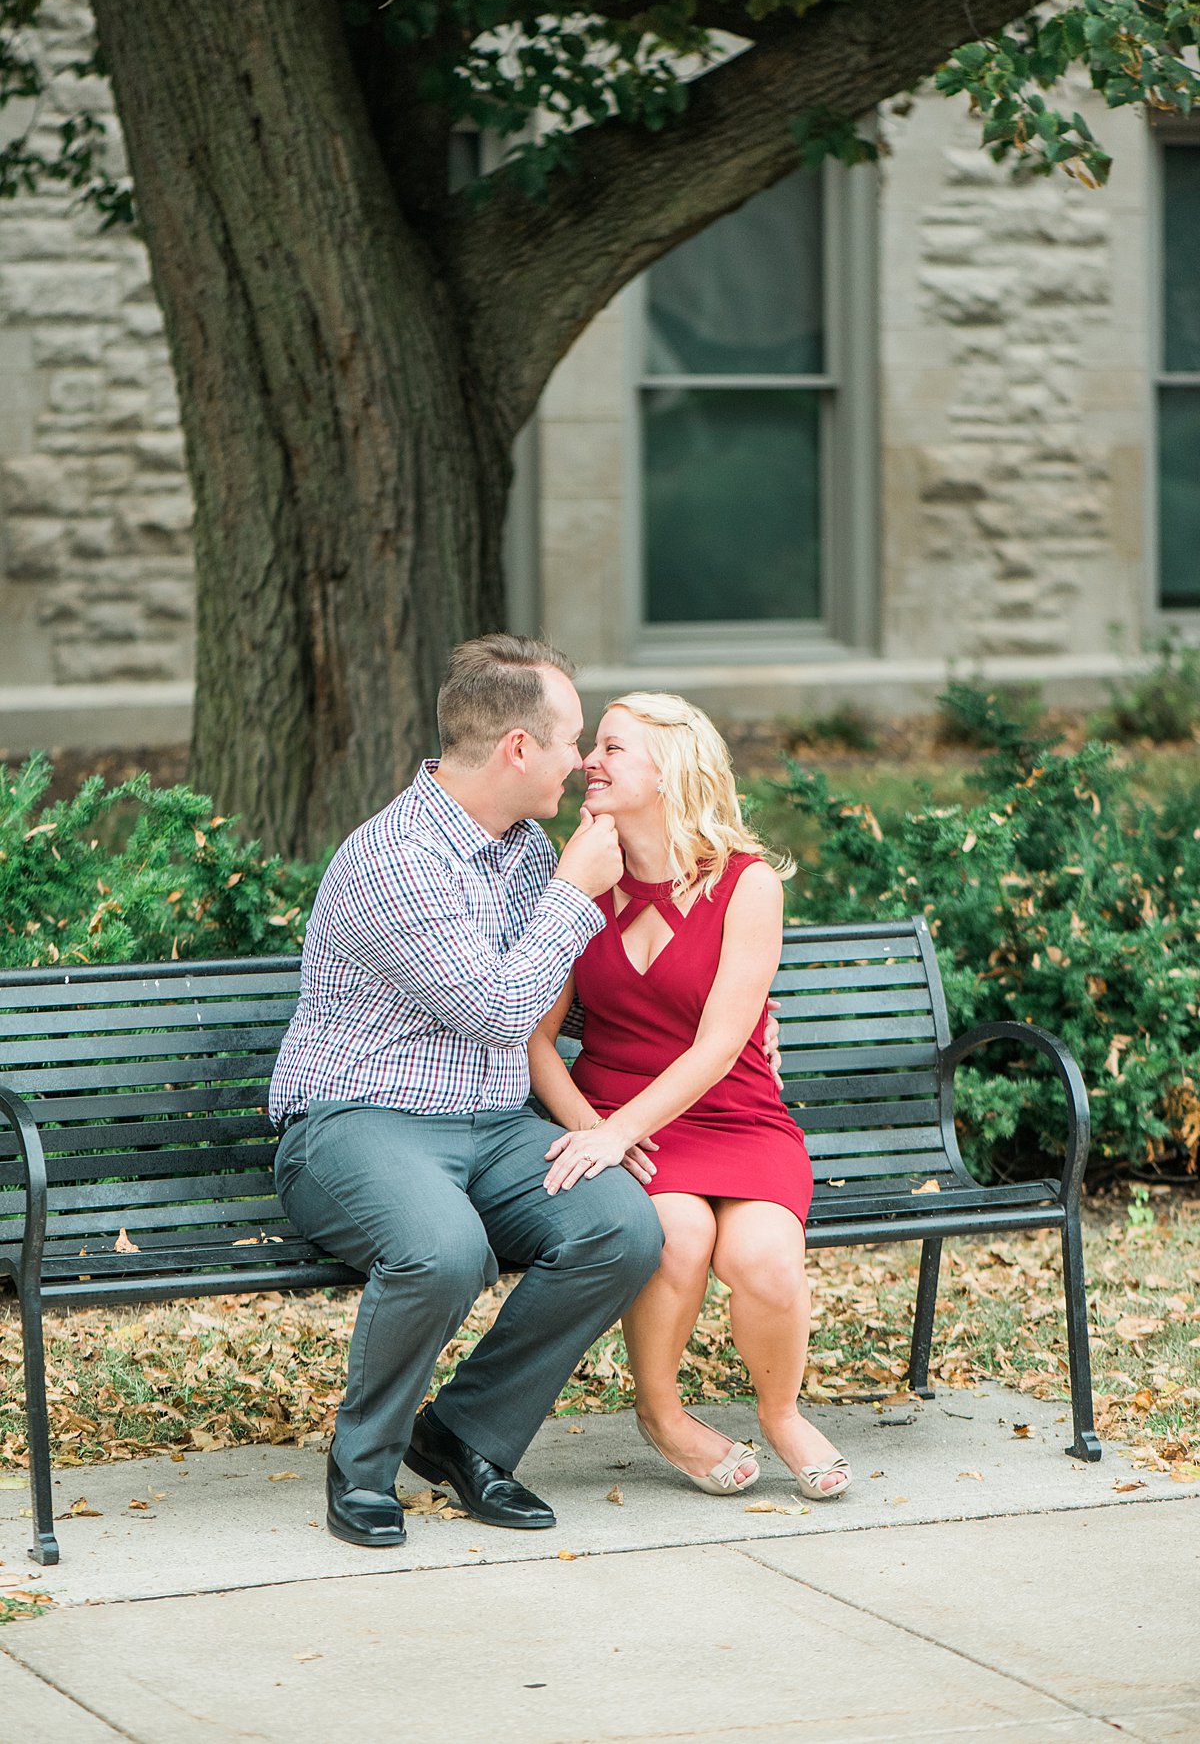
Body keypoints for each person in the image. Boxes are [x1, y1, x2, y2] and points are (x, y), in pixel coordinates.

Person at [270, 635, 664, 1548]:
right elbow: (495, 1008)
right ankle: (364, 1466)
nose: (582, 761)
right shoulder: (394, 858)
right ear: (519, 749)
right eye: (571, 740)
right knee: (442, 1250)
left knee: (621, 1226)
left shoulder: (522, 849)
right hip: (357, 1122)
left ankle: (463, 1435)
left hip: (489, 1124)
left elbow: (546, 1010)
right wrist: (574, 890)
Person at [528, 692, 851, 1502]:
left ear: (671, 770)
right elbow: (533, 1037)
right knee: (675, 1233)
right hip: (622, 1121)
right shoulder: (579, 883)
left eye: (612, 749)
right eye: (593, 747)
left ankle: (779, 1411)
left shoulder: (747, 886)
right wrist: (594, 1127)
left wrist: (620, 1129)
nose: (589, 763)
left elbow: (718, 1045)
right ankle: (663, 1414)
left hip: (736, 1115)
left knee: (765, 1260)